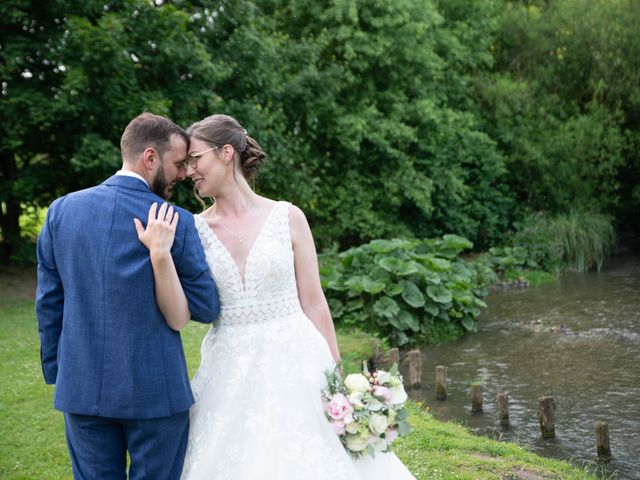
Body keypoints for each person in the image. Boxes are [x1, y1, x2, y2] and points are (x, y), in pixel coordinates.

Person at [136, 113, 415, 479]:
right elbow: (180, 313)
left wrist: (338, 377)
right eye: (185, 163)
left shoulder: (289, 217)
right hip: (229, 367)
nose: (188, 172)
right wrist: (160, 256)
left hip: (297, 360)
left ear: (225, 153)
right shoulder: (193, 229)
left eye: (195, 159)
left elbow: (314, 301)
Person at [36, 112, 220, 480]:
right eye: (177, 163)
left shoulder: (61, 211)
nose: (183, 173)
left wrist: (61, 371)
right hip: (156, 393)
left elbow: (49, 303)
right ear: (149, 158)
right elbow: (205, 306)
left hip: (82, 388)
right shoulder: (176, 220)